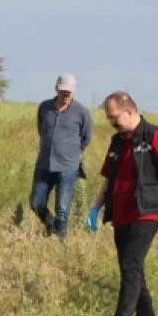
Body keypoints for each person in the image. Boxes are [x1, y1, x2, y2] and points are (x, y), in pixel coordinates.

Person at [86, 91, 158, 316]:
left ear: (129, 111)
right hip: (121, 213)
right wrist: (96, 207)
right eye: (108, 118)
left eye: (114, 117)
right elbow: (108, 178)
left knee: (131, 265)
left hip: (147, 211)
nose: (112, 122)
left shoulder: (155, 136)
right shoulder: (117, 142)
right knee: (132, 268)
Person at [31, 73, 92, 241]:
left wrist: (71, 152)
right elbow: (41, 130)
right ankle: (51, 225)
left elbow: (86, 137)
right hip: (44, 165)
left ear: (74, 91)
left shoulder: (82, 112)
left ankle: (60, 242)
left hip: (67, 167)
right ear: (56, 89)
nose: (66, 95)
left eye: (69, 92)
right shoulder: (44, 108)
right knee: (36, 203)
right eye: (63, 91)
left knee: (62, 209)